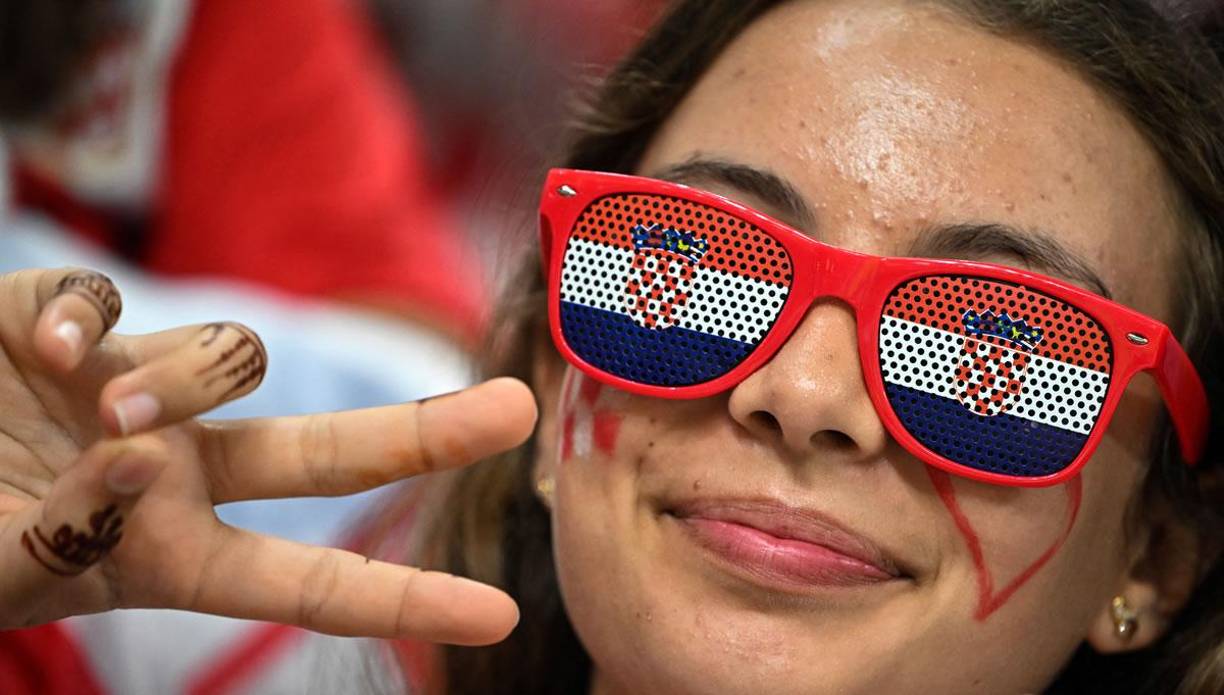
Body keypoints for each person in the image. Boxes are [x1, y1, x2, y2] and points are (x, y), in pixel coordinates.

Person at [0, 1, 1221, 694]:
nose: (800, 393)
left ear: (1157, 555)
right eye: (693, 264)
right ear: (542, 372)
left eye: (996, 346)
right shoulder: (127, 624)